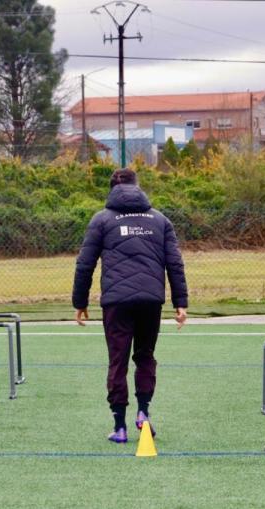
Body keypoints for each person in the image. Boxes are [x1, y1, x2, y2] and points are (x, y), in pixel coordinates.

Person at [72, 168, 188, 443]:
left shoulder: (101, 219)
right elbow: (175, 263)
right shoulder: (160, 220)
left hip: (116, 302)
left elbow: (85, 263)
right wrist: (180, 302)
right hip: (151, 301)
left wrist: (80, 302)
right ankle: (143, 413)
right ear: (138, 187)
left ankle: (120, 427)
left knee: (118, 361)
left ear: (111, 189)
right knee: (145, 356)